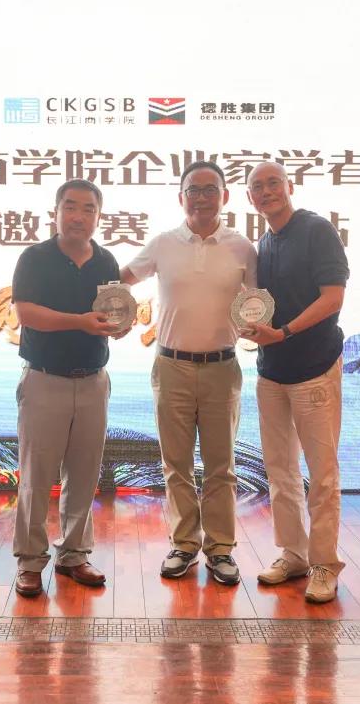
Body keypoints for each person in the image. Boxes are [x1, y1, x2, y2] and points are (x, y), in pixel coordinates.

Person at [120, 161, 257, 585]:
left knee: (221, 466)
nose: (201, 197)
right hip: (171, 367)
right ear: (181, 198)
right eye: (193, 190)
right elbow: (121, 280)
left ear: (225, 197)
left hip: (222, 368)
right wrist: (111, 313)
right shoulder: (163, 244)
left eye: (210, 189)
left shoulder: (242, 248)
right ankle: (183, 545)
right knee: (175, 464)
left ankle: (220, 549)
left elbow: (258, 302)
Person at [241, 161, 350, 603]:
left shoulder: (316, 230)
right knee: (280, 470)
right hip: (271, 373)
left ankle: (324, 564)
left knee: (321, 474)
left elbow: (333, 297)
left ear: (290, 186)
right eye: (257, 187)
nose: (266, 191)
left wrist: (284, 332)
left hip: (315, 368)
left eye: (273, 183)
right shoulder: (263, 243)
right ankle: (294, 554)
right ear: (250, 198)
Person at [10, 178, 122, 597]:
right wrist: (80, 322)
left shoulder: (106, 261)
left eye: (88, 209)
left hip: (93, 382)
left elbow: (110, 314)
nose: (78, 216)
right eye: (70, 207)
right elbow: (26, 313)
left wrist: (118, 326)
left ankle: (74, 554)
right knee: (36, 477)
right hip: (44, 380)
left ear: (98, 216)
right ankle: (30, 561)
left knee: (84, 473)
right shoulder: (35, 258)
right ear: (55, 213)